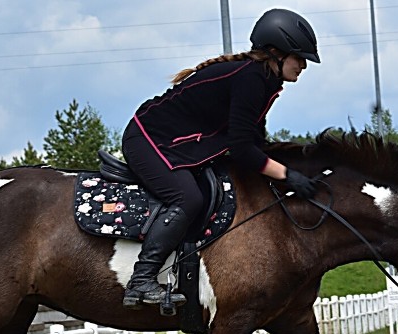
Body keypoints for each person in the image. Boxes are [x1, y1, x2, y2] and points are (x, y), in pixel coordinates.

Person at [121, 8, 321, 309]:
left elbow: (254, 140)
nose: (303, 66)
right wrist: (287, 175)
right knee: (187, 198)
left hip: (175, 143)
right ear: (276, 53)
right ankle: (141, 280)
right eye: (299, 57)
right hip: (148, 140)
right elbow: (241, 148)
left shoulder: (263, 81)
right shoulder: (251, 79)